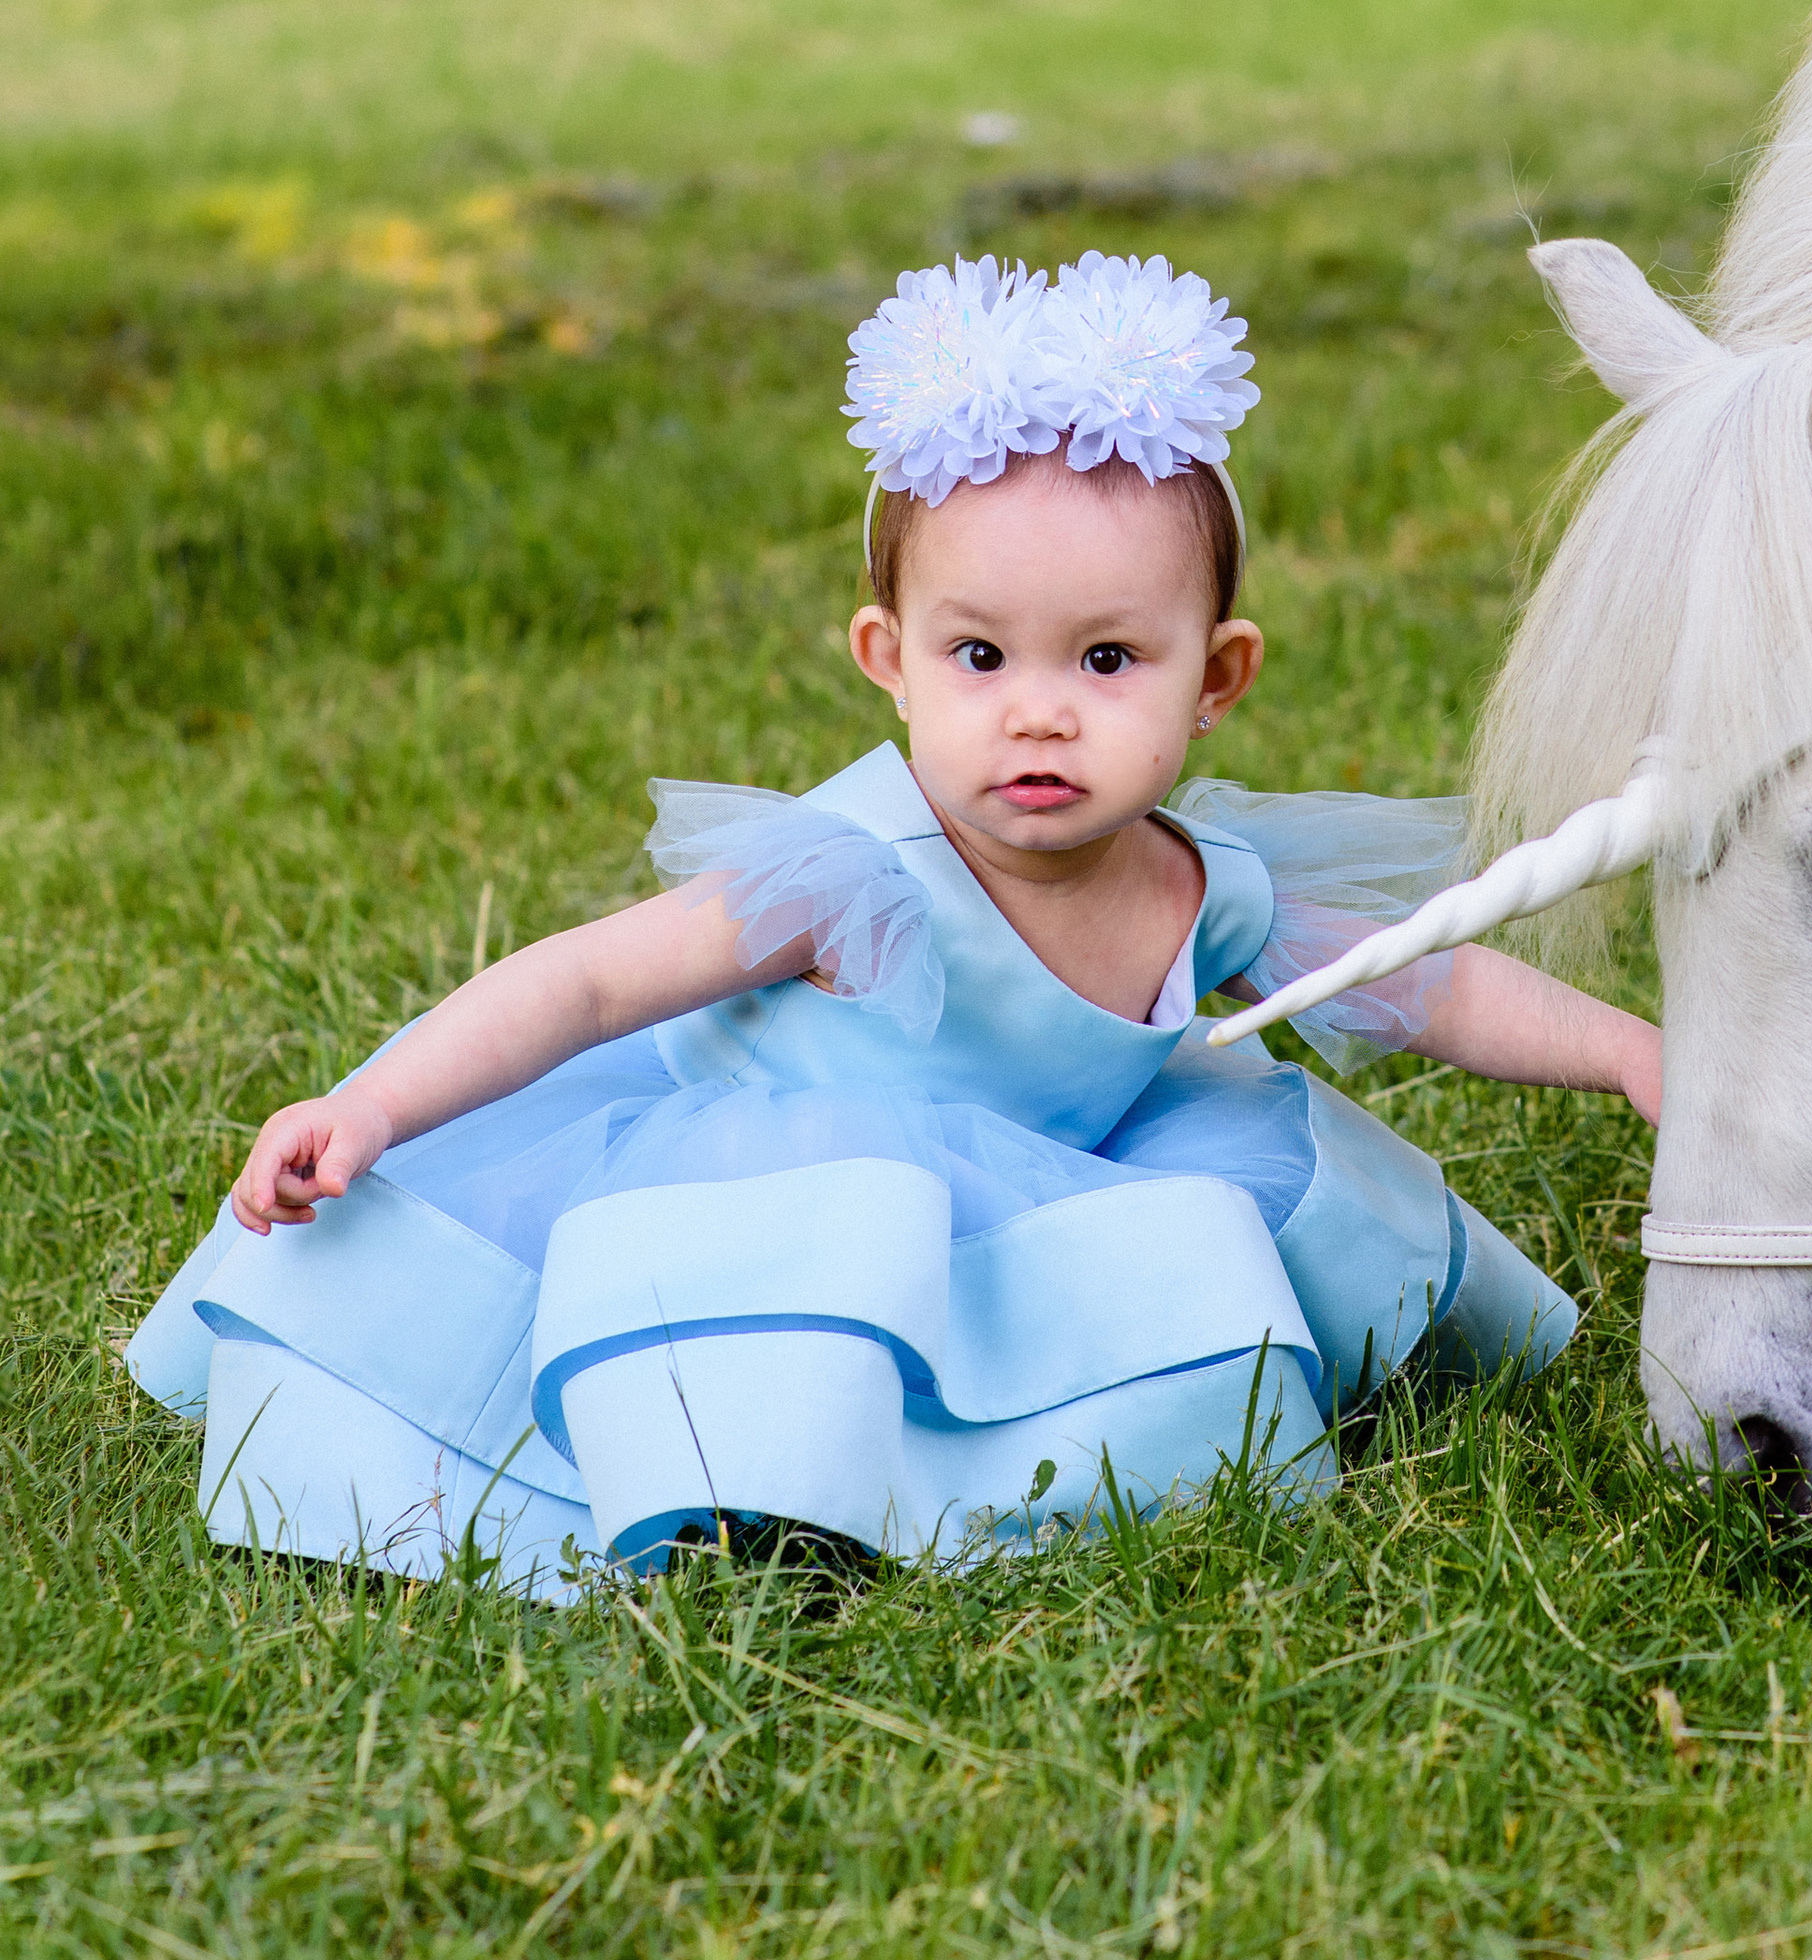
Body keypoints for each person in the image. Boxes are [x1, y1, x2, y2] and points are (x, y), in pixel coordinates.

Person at [129, 252, 1660, 1595]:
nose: (1040, 711)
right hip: (773, 1187)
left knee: (1205, 1208)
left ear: (1217, 678)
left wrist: (1632, 1054)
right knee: (797, 1292)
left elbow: (1430, 985)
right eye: (980, 654)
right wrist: (374, 1106)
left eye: (1109, 659)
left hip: (1027, 1174)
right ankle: (757, 1504)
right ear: (890, 656)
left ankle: (1025, 1460)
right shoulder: (851, 873)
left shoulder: (1204, 887)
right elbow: (589, 985)